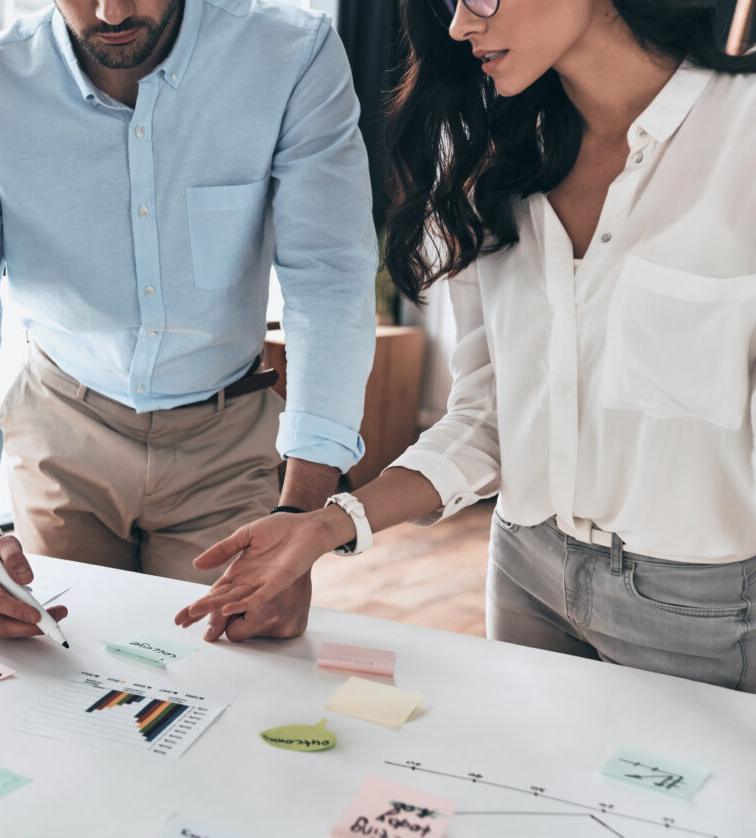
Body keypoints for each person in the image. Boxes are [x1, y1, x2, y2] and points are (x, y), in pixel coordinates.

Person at [177, 0, 756, 692]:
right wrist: (323, 525)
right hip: (524, 571)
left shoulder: (741, 138)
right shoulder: (484, 149)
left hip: (701, 608)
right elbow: (487, 415)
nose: (457, 25)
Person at [0, 0, 379, 643]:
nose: (113, 10)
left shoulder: (290, 57)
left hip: (227, 440)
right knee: (65, 670)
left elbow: (328, 284)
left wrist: (299, 516)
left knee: (228, 670)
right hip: (60, 435)